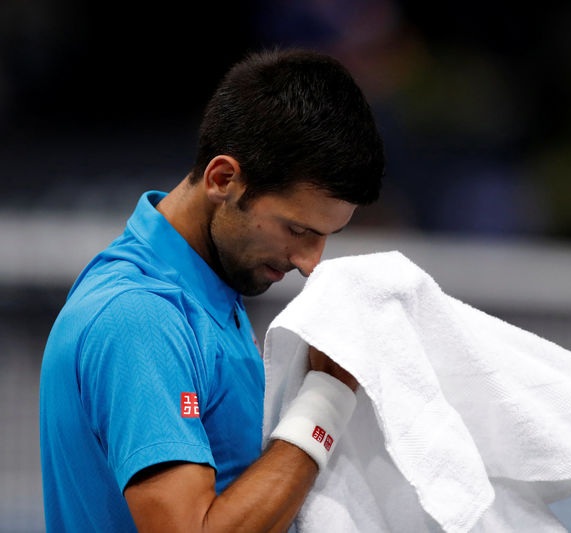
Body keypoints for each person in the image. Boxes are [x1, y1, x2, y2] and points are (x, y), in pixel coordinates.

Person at [39, 48, 384, 532]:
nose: (311, 263)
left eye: (328, 236)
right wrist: (326, 398)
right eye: (298, 230)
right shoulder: (142, 317)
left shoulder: (210, 294)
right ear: (224, 180)